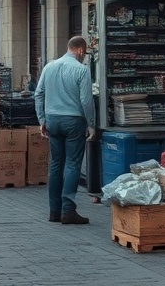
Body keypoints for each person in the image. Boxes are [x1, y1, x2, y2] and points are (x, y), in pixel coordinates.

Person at [34, 36, 95, 225]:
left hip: (52, 119)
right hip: (73, 120)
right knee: (72, 164)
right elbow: (86, 100)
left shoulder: (49, 66)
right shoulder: (81, 70)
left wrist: (42, 119)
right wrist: (91, 123)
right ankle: (68, 210)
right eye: (84, 54)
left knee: (55, 164)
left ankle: (54, 211)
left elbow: (38, 93)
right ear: (80, 51)